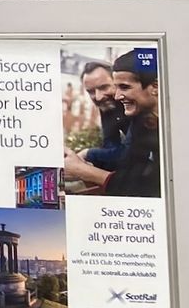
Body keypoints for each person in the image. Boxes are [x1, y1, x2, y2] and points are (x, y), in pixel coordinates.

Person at [65, 52, 162, 198]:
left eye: (104, 87)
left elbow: (138, 174)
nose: (98, 97)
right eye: (90, 91)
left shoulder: (140, 112)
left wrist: (86, 161)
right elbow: (117, 151)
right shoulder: (111, 107)